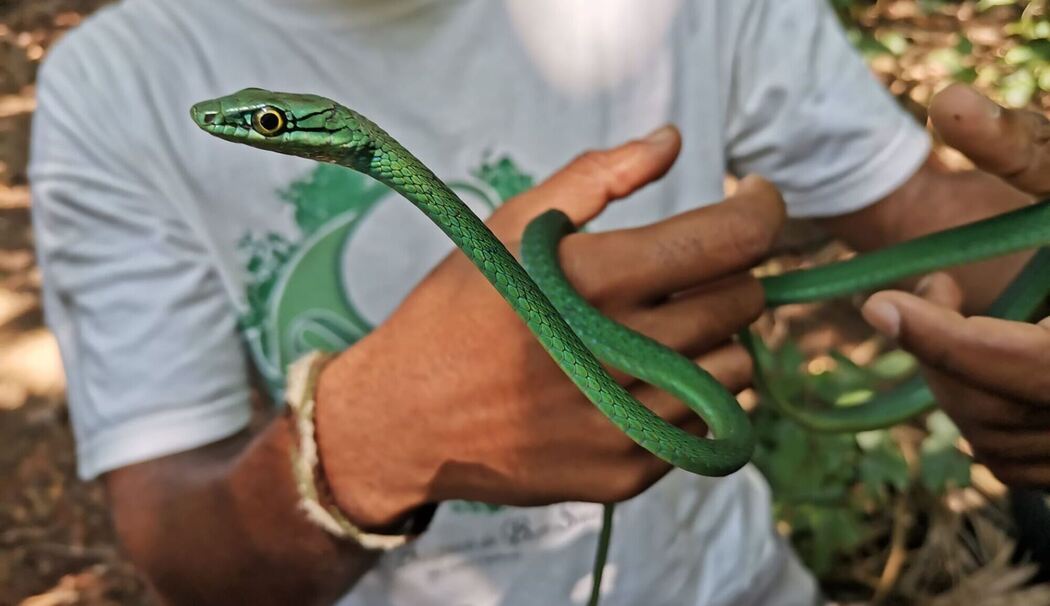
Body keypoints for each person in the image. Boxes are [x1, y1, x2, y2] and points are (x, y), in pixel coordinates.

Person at [27, 0, 1049, 604]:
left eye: (262, 124)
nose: (250, 130)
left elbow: (918, 205)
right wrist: (358, 448)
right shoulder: (121, 81)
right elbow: (180, 547)